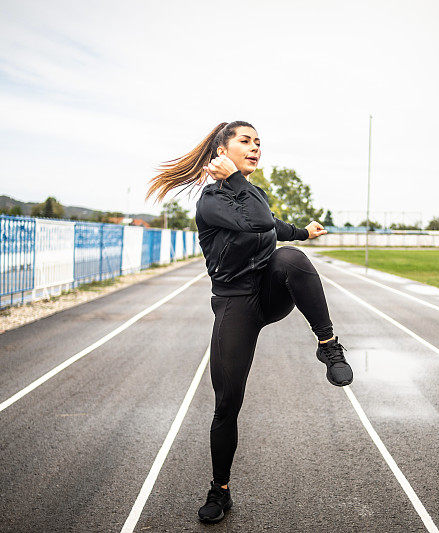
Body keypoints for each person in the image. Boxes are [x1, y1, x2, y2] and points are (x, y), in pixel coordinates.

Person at [146, 120, 353, 524]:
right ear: (222, 151)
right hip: (234, 306)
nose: (256, 147)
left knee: (291, 258)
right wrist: (239, 182)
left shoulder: (249, 192)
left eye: (259, 142)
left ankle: (328, 345)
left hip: (268, 293)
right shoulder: (211, 201)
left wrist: (302, 233)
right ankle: (219, 490)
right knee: (227, 404)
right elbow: (258, 222)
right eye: (246, 141)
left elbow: (273, 226)